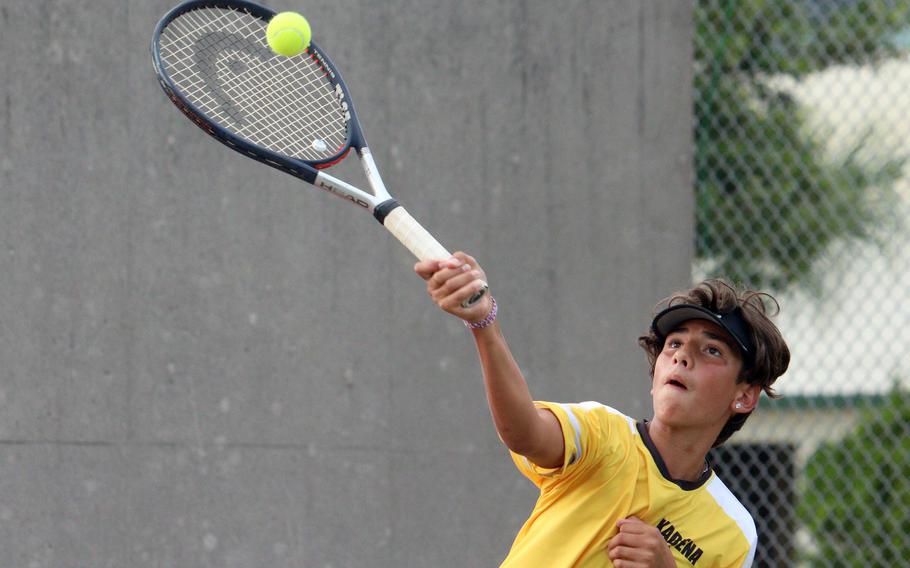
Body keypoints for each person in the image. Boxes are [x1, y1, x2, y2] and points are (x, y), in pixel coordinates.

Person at [414, 252, 790, 567]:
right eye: (674, 344)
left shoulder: (733, 532)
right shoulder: (601, 432)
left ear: (744, 396)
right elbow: (523, 431)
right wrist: (484, 323)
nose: (682, 357)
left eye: (712, 350)